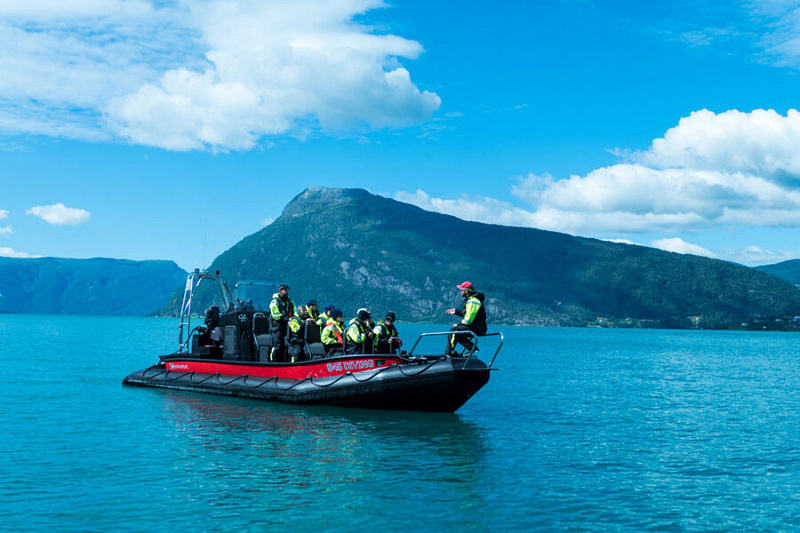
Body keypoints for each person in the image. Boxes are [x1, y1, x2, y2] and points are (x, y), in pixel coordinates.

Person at [445, 281, 487, 356]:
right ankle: (472, 348)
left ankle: (449, 353)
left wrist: (459, 325)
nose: (460, 292)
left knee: (454, 331)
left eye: (461, 290)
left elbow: (468, 320)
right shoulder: (471, 300)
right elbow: (467, 314)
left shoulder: (473, 301)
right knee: (458, 333)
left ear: (466, 291)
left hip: (478, 328)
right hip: (476, 326)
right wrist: (456, 312)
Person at [268, 283, 295, 362]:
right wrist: (287, 318)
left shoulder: (290, 302)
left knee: (288, 346)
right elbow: (276, 315)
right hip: (277, 328)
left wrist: (295, 318)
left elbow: (295, 312)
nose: (287, 292)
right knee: (277, 346)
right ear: (280, 291)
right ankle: (274, 363)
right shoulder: (275, 302)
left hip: (288, 328)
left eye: (287, 290)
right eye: (285, 290)